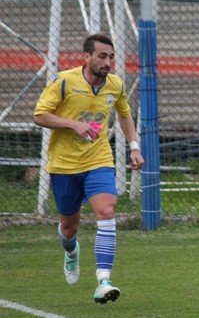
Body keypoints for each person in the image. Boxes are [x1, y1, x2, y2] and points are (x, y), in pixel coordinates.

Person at [34, 33, 144, 304]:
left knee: (106, 211)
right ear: (87, 56)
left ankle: (103, 282)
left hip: (99, 161)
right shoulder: (64, 81)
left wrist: (134, 146)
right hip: (64, 165)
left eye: (111, 57)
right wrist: (73, 124)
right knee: (69, 227)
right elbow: (39, 115)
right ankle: (71, 251)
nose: (108, 62)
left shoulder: (115, 85)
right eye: (102, 56)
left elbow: (124, 113)